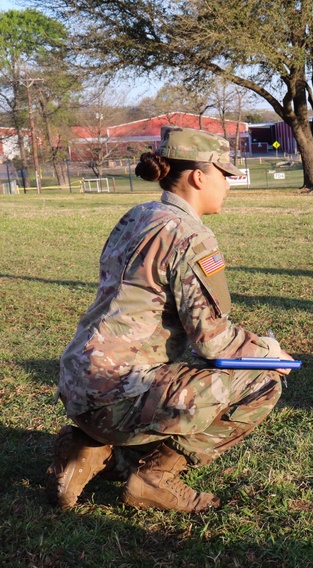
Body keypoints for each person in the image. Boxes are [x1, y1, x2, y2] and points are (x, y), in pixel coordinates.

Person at [47, 126, 295, 512]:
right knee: (262, 381)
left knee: (184, 371)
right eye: (224, 174)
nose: (228, 183)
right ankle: (152, 479)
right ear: (199, 176)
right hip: (119, 393)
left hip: (79, 384)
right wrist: (269, 351)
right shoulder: (189, 234)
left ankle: (87, 448)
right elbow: (213, 341)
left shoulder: (138, 216)